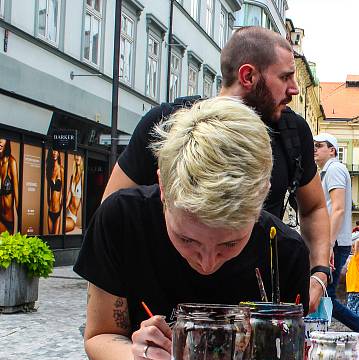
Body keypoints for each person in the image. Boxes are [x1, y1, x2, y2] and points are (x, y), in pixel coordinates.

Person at [101, 26, 330, 313]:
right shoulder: (171, 125)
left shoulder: (293, 132)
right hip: (167, 300)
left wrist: (319, 274)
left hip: (255, 301)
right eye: (285, 77)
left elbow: (314, 208)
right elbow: (113, 211)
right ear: (248, 76)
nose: (294, 89)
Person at [74, 97, 309, 360]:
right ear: (163, 186)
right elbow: (101, 335)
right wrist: (132, 358)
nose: (207, 263)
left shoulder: (285, 252)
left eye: (230, 243)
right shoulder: (121, 221)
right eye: (187, 239)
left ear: (263, 196)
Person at [313, 132, 359, 336]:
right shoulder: (327, 171)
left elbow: (339, 208)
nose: (314, 148)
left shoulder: (334, 169)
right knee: (324, 293)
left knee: (326, 294)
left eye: (319, 145)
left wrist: (328, 244)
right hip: (331, 241)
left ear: (332, 150)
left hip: (333, 242)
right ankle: (319, 332)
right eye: (313, 145)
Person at [0, 138, 19, 234]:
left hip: (8, 218)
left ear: (7, 141)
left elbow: (16, 193)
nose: (0, 141)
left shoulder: (12, 162)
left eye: (2, 139)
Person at [46, 149, 64, 235]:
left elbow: (63, 189)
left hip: (57, 211)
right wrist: (47, 202)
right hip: (50, 210)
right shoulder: (50, 170)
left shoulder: (61, 169)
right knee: (50, 238)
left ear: (59, 153)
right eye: (53, 151)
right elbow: (48, 189)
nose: (54, 153)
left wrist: (62, 205)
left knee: (56, 238)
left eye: (56, 151)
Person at [65, 154, 84, 233]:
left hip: (73, 216)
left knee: (62, 226)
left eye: (79, 156)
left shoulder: (83, 176)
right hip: (67, 210)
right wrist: (64, 209)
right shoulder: (73, 176)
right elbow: (69, 192)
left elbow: (83, 197)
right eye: (76, 156)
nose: (77, 157)